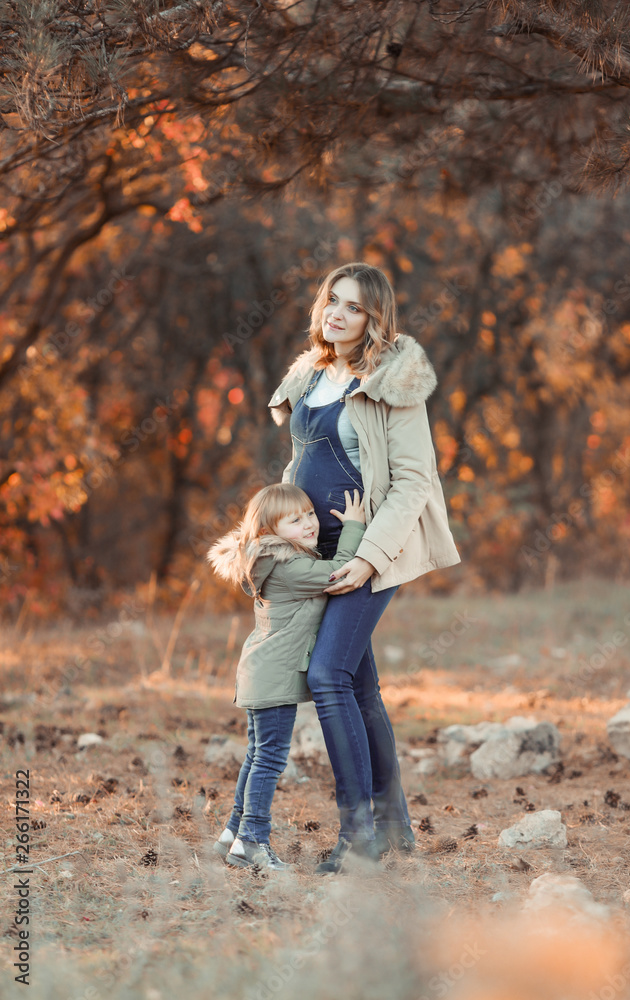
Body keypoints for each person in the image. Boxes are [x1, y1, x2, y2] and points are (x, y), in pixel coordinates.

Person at [268, 262, 461, 874]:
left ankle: (358, 838)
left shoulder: (392, 383)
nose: (338, 313)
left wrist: (369, 558)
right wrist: (277, 539)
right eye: (332, 300)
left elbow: (412, 483)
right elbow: (298, 467)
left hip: (370, 550)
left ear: (374, 318)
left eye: (353, 306)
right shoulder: (310, 374)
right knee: (357, 685)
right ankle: (395, 826)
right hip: (314, 551)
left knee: (327, 676)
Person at [206, 482, 366, 871]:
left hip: (261, 672)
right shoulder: (290, 565)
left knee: (257, 755)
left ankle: (232, 832)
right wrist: (354, 529)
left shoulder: (273, 558)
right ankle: (252, 841)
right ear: (268, 532)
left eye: (309, 513)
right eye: (294, 521)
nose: (309, 524)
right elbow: (336, 575)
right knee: (270, 759)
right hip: (273, 677)